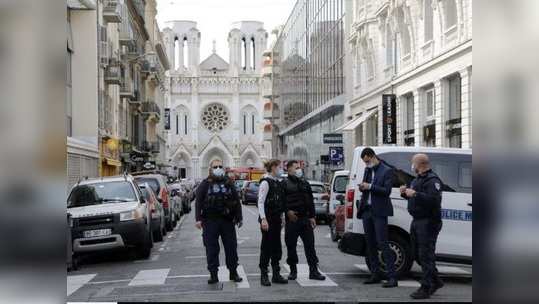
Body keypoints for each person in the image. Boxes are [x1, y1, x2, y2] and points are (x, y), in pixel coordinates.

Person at [400, 153, 444, 299]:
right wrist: (405, 193)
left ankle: (425, 287)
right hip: (417, 221)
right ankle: (436, 280)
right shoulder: (418, 179)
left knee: (425, 255)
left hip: (428, 222)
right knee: (417, 254)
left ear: (420, 164)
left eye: (413, 163)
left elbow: (433, 200)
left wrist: (415, 194)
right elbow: (415, 197)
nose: (412, 166)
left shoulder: (432, 180)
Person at [195, 159, 243, 284]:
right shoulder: (205, 184)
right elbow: (198, 202)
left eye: (220, 166)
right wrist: (198, 219)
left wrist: (239, 217)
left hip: (227, 220)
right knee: (211, 249)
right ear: (210, 168)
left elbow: (237, 200)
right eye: (215, 166)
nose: (218, 168)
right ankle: (213, 274)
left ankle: (233, 272)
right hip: (210, 221)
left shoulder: (228, 182)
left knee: (231, 248)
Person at [356, 147, 398, 288]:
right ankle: (375, 274)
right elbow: (367, 188)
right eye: (365, 162)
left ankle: (392, 277)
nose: (366, 164)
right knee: (370, 243)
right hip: (367, 210)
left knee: (382, 243)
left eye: (367, 161)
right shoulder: (368, 170)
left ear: (373, 156)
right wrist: (363, 187)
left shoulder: (386, 170)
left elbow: (386, 191)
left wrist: (370, 186)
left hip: (379, 211)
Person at [283, 160, 325, 281]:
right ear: (289, 169)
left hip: (305, 219)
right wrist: (287, 211)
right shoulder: (284, 184)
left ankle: (314, 271)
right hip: (292, 220)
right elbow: (281, 201)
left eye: (299, 167)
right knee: (291, 246)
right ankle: (293, 271)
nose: (298, 170)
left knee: (310, 246)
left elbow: (310, 200)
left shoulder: (304, 183)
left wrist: (312, 216)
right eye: (296, 168)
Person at [257, 159, 288, 286]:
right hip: (268, 220)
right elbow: (260, 202)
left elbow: (281, 202)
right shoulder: (266, 182)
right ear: (273, 168)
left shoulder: (278, 183)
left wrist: (283, 217)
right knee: (266, 248)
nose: (281, 169)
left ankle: (276, 274)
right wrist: (263, 219)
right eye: (279, 167)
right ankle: (264, 274)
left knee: (277, 248)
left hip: (276, 219)